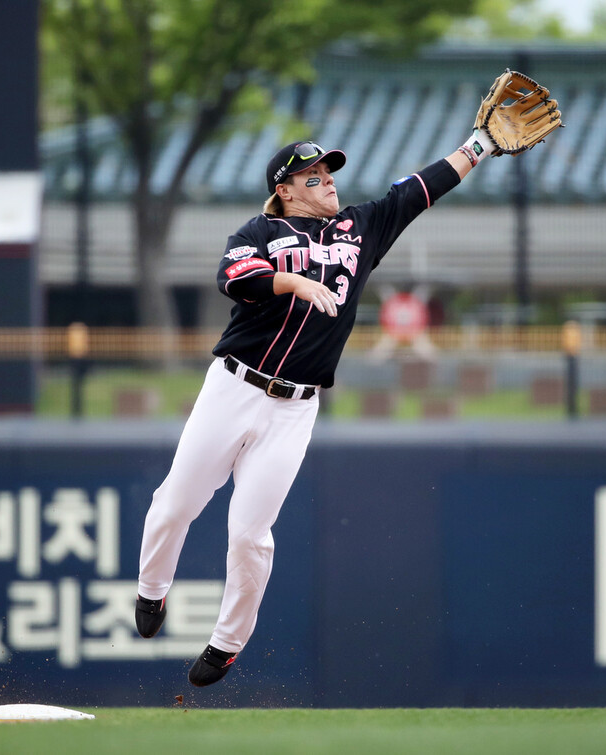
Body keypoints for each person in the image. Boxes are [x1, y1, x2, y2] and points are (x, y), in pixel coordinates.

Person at [135, 76, 559, 687]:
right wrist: (297, 281)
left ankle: (226, 644)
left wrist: (481, 146)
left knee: (250, 534)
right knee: (175, 505)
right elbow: (236, 279)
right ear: (283, 191)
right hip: (232, 388)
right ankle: (152, 591)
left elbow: (418, 190)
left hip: (294, 410)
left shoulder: (360, 230)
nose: (328, 180)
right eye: (314, 176)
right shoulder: (258, 234)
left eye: (330, 172)